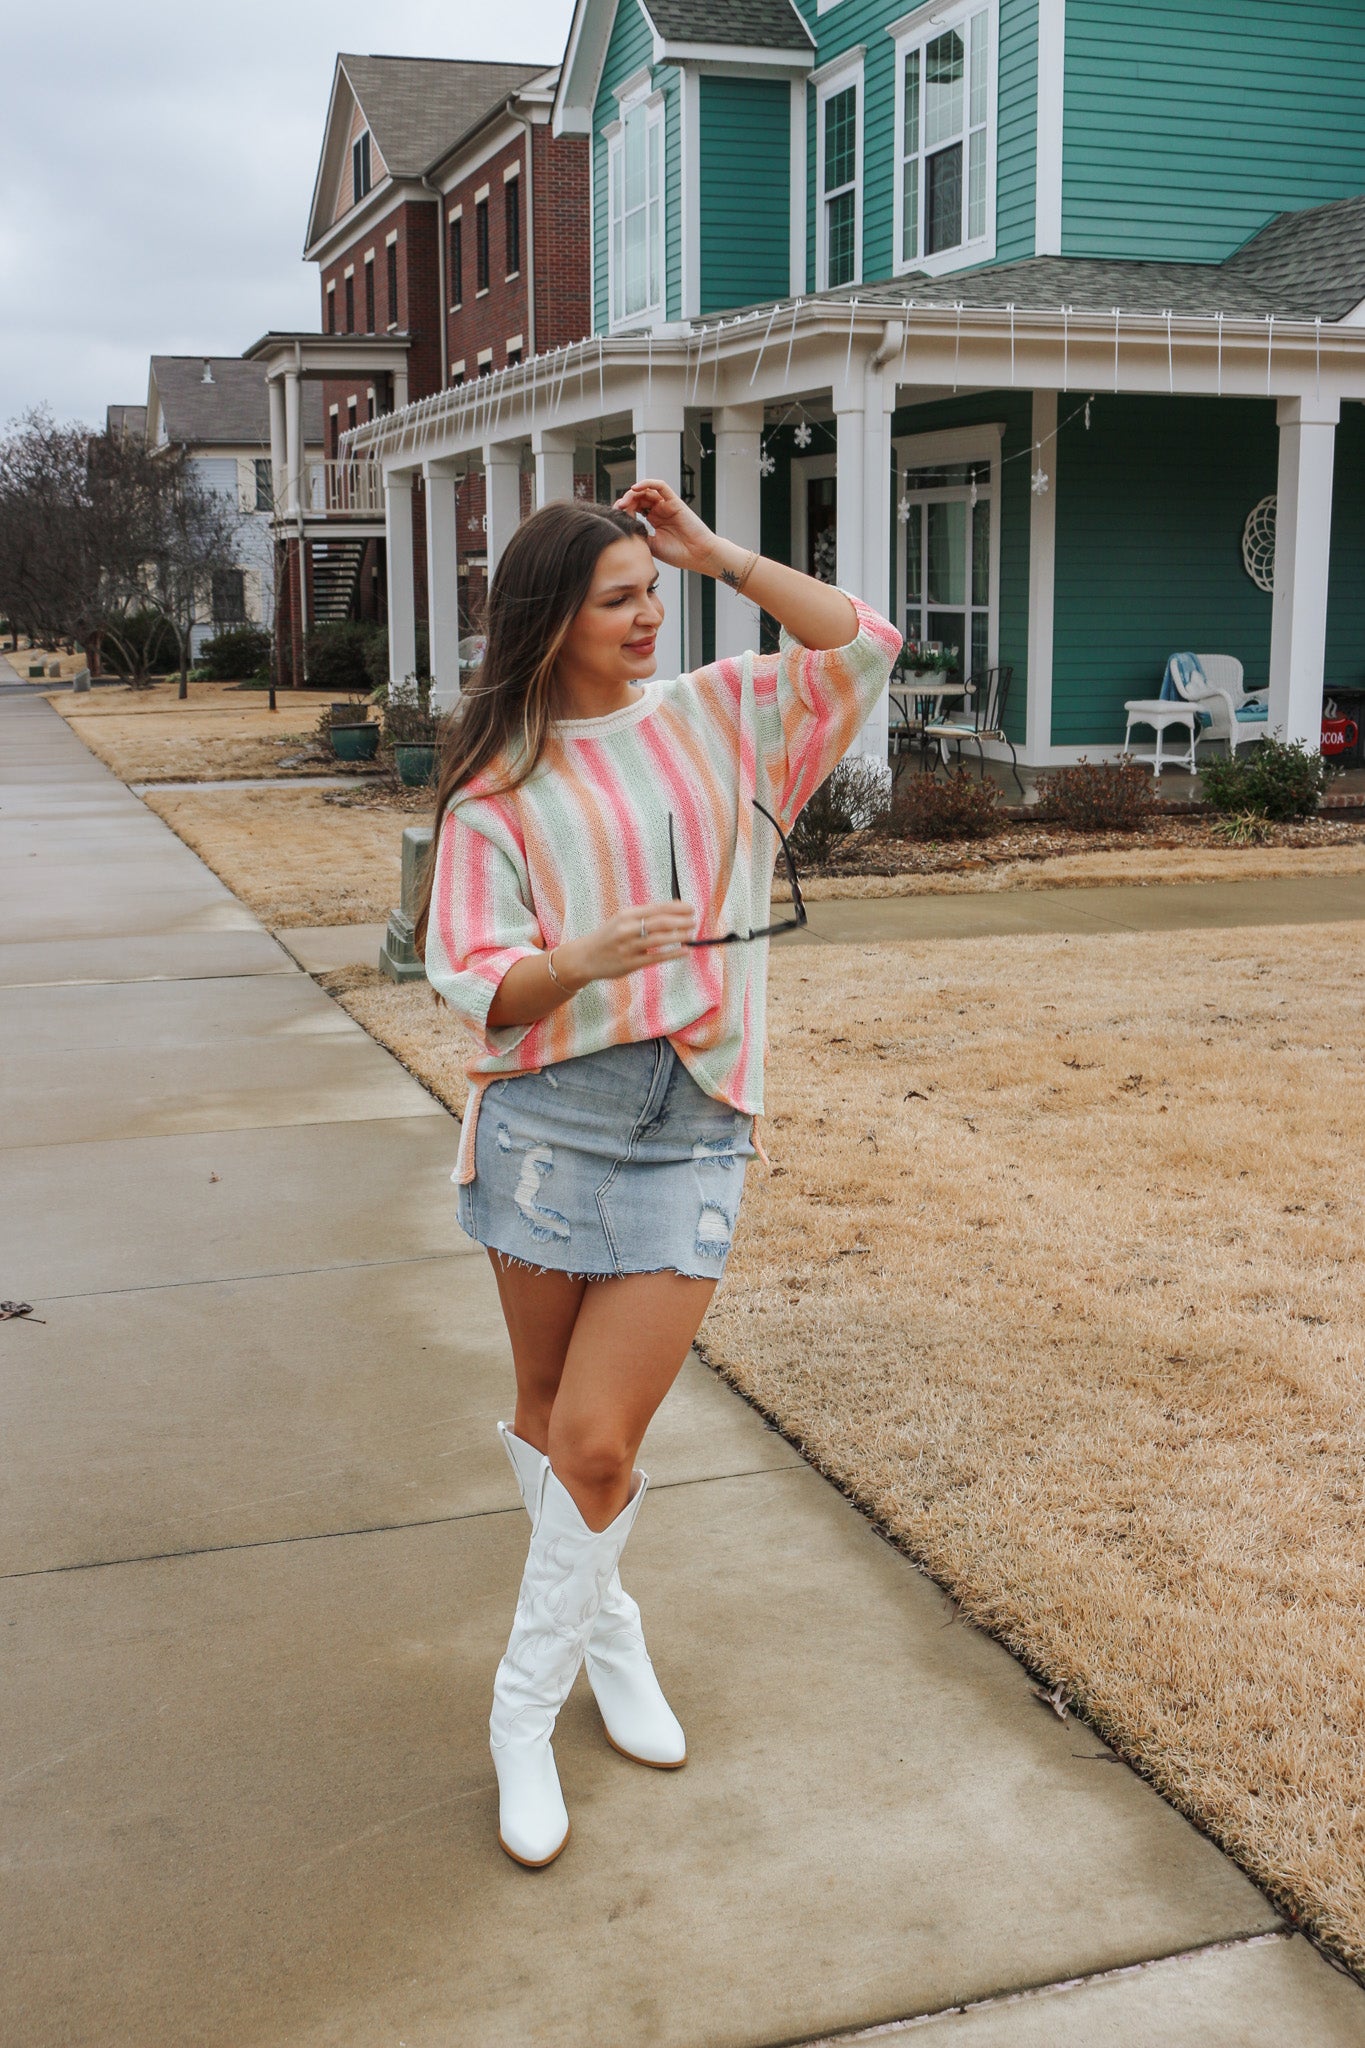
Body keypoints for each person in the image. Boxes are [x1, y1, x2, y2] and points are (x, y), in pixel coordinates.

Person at [415, 480, 900, 1867]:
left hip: (694, 1120)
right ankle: (609, 1640)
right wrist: (580, 959)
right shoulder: (496, 786)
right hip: (549, 1123)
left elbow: (858, 645)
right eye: (620, 594)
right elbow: (474, 978)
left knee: (599, 1442)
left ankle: (521, 1712)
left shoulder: (716, 716)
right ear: (549, 620)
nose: (649, 614)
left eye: (652, 589)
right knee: (546, 1417)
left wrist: (717, 553)